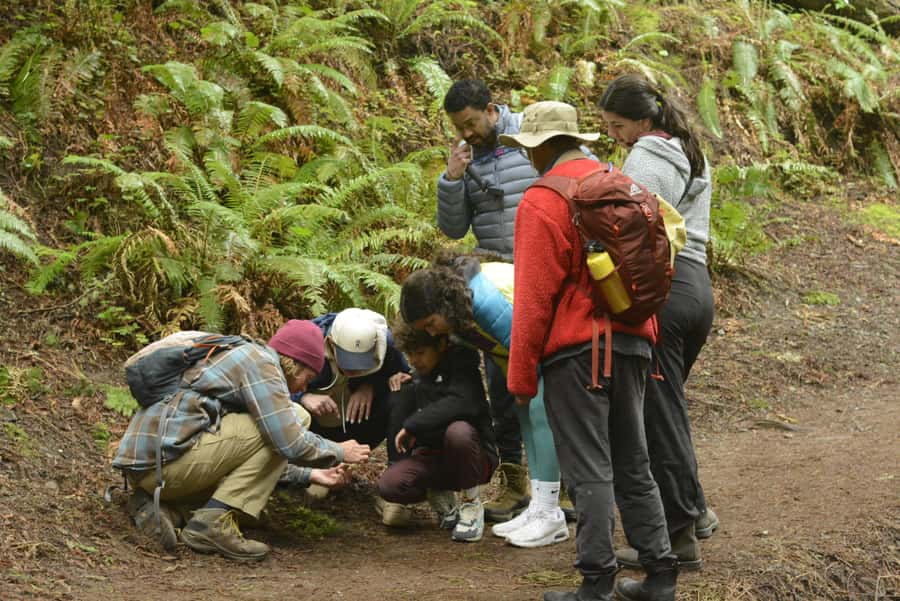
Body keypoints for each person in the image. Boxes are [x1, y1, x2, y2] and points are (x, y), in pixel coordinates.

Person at [501, 101, 678, 601]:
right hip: (634, 339)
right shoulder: (621, 184)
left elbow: (533, 300)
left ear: (540, 149)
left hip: (579, 353)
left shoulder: (543, 198)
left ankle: (595, 582)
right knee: (633, 461)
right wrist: (649, 338)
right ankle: (661, 575)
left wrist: (520, 379)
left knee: (589, 469)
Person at [112, 320, 371, 561]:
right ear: (295, 362)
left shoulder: (244, 358)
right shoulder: (261, 364)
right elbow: (287, 441)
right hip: (166, 464)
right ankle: (211, 523)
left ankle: (168, 508)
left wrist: (310, 476)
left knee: (275, 427)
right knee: (296, 416)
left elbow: (250, 458)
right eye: (309, 377)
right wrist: (338, 451)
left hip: (154, 466)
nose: (304, 387)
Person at [598, 74, 718, 572]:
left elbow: (631, 231)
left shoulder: (647, 155)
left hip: (668, 293)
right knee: (666, 408)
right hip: (698, 287)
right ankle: (697, 514)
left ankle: (678, 537)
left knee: (658, 414)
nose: (615, 135)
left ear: (643, 120)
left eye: (618, 125)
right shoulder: (689, 148)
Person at [399, 252, 570, 549]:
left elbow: (527, 343)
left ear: (442, 305)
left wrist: (523, 384)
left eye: (430, 323)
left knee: (540, 410)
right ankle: (538, 508)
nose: (431, 332)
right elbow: (504, 349)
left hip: (560, 343)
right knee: (525, 412)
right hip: (531, 352)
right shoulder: (460, 312)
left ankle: (550, 513)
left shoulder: (484, 301)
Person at [437, 78, 539, 520]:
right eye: (459, 128)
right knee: (503, 386)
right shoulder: (468, 159)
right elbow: (454, 229)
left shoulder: (532, 140)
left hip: (541, 279)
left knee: (553, 384)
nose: (467, 134)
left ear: (493, 110)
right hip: (496, 282)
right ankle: (516, 481)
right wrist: (452, 179)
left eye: (473, 124)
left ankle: (568, 483)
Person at [377, 323, 498, 542]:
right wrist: (412, 385)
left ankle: (471, 505)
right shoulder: (419, 376)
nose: (414, 360)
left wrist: (414, 424)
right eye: (410, 354)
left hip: (474, 458)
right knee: (390, 485)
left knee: (458, 431)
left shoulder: (462, 364)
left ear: (441, 344)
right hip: (434, 457)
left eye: (421, 353)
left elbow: (464, 402)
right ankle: (441, 495)